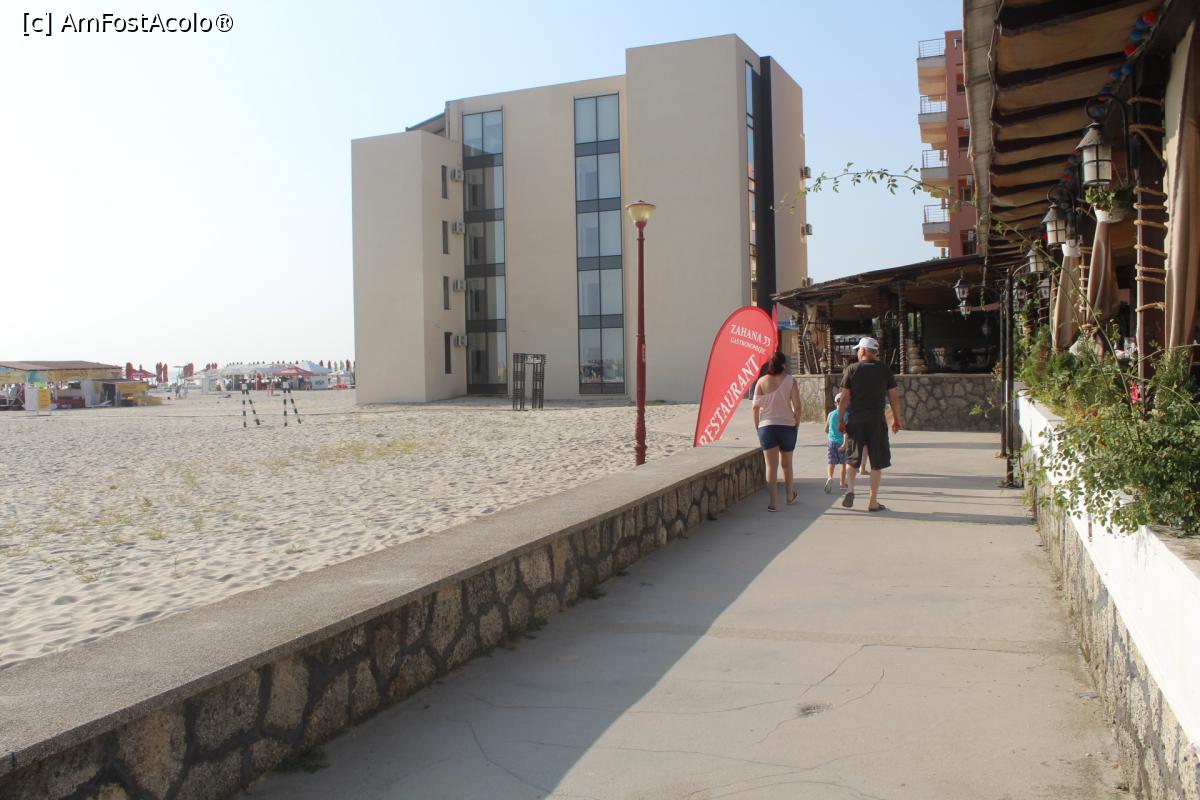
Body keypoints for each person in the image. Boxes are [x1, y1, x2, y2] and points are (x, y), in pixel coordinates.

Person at [837, 336, 904, 512]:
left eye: (858, 349)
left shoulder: (852, 369)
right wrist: (897, 419)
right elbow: (894, 397)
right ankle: (873, 502)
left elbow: (844, 398)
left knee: (852, 459)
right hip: (876, 421)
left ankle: (850, 490)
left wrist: (840, 420)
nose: (858, 352)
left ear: (863, 350)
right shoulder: (885, 370)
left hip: (855, 421)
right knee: (877, 462)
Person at [751, 351, 802, 511]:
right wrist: (796, 422)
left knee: (771, 467)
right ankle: (789, 496)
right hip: (787, 426)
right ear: (783, 364)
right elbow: (798, 406)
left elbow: (755, 407)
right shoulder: (790, 380)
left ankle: (773, 503)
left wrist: (757, 426)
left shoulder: (761, 381)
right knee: (787, 464)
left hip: (767, 427)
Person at [825, 393, 849, 494]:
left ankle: (830, 478)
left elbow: (826, 429)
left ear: (835, 403)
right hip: (842, 443)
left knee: (831, 462)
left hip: (831, 442)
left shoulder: (830, 414)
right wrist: (845, 444)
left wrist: (831, 433)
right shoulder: (847, 415)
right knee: (843, 464)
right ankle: (842, 483)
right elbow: (846, 432)